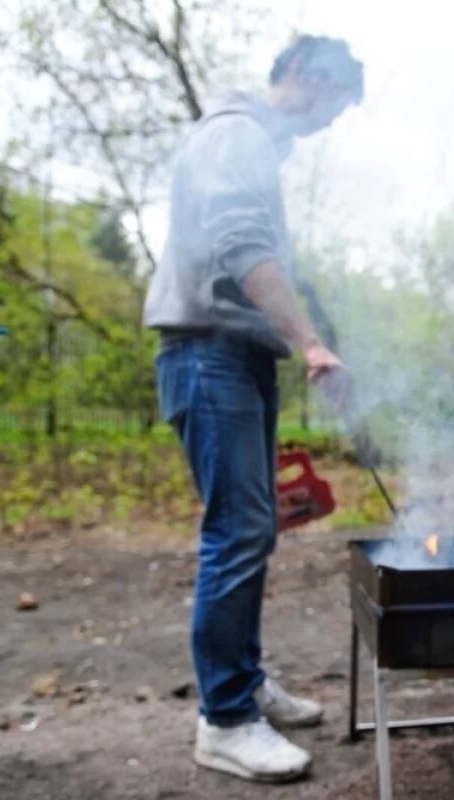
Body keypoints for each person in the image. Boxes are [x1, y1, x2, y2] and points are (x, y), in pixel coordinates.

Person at [143, 35, 363, 781]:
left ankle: (242, 679)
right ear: (303, 75)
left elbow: (264, 263)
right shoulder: (235, 135)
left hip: (236, 358)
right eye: (332, 102)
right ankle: (225, 717)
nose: (329, 122)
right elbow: (241, 247)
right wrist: (309, 343)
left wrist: (312, 335)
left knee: (254, 526)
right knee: (236, 531)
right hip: (208, 357)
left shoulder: (256, 146)